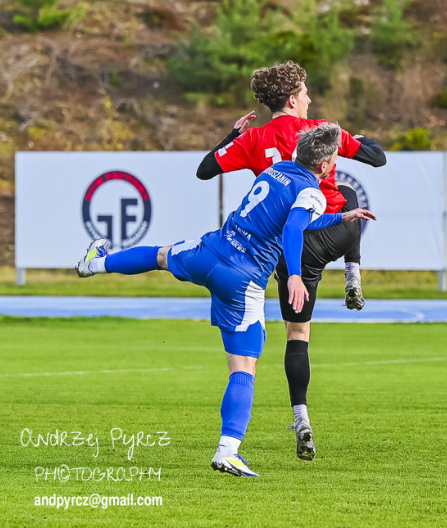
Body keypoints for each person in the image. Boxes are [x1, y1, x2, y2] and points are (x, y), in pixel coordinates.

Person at [76, 124, 376, 477]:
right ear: (325, 165)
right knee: (243, 367)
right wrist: (294, 274)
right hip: (241, 280)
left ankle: (94, 264)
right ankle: (227, 451)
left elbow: (290, 218)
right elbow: (294, 228)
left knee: (160, 255)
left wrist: (340, 217)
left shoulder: (277, 169)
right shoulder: (313, 192)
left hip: (210, 251)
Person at [196, 61, 386, 461]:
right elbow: (377, 157)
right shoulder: (319, 131)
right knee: (348, 196)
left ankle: (301, 418)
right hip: (329, 233)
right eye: (305, 93)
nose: (310, 99)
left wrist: (233, 136)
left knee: (297, 335)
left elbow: (205, 170)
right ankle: (353, 270)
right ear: (293, 99)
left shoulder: (254, 138)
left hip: (285, 248)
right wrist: (355, 137)